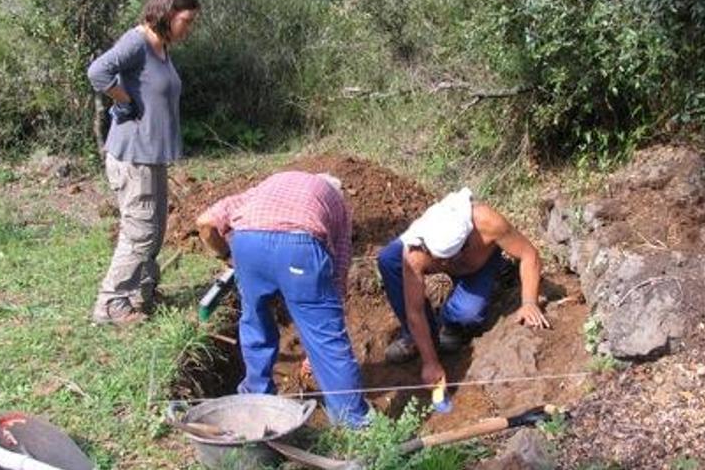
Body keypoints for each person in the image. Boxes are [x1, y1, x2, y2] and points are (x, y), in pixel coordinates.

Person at [195, 171, 370, 428]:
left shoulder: (265, 186)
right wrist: (326, 323)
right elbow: (340, 265)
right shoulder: (336, 201)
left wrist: (227, 256)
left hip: (247, 243)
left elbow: (205, 222)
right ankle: (353, 421)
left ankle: (256, 402)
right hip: (300, 247)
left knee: (255, 324)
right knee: (327, 340)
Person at [87, 0, 199, 325]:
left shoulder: (161, 46)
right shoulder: (137, 41)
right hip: (133, 156)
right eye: (187, 20)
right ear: (167, 13)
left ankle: (142, 293)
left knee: (155, 228)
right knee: (140, 231)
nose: (190, 28)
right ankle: (111, 304)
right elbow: (97, 71)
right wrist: (124, 99)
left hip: (151, 156)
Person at [377, 187, 549, 386]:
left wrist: (529, 302)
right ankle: (417, 338)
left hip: (478, 265)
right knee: (389, 260)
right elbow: (414, 311)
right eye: (439, 261)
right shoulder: (416, 250)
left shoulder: (489, 223)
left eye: (450, 259)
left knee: (468, 313)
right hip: (423, 255)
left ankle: (452, 325)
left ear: (465, 244)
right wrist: (430, 362)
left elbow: (529, 254)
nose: (444, 266)